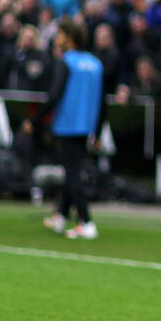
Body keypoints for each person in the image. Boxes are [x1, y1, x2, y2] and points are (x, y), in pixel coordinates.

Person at [22, 19, 105, 240]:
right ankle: (60, 216)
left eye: (59, 34)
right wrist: (97, 130)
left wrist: (35, 119)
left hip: (67, 124)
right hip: (86, 126)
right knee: (72, 170)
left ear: (69, 37)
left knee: (72, 173)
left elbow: (55, 95)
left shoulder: (65, 61)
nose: (56, 38)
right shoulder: (95, 63)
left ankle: (86, 221)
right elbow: (103, 100)